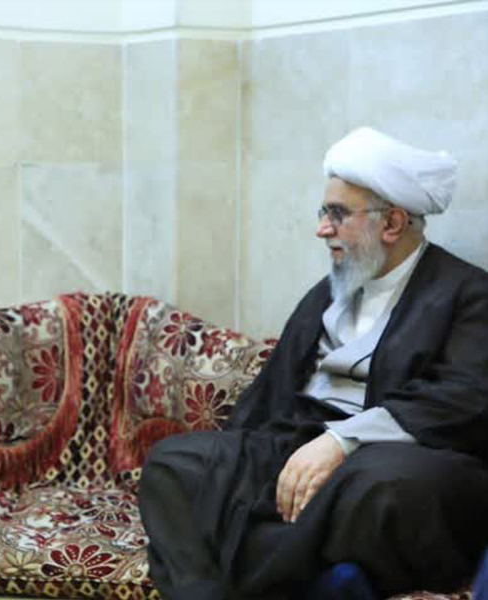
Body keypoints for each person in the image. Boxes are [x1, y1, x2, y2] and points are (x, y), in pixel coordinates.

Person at [139, 127, 488, 600]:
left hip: (394, 457)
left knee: (383, 489)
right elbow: (268, 402)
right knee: (175, 464)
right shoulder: (331, 290)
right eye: (324, 213)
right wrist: (239, 469)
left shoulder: (467, 293)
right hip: (300, 444)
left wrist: (342, 441)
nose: (322, 229)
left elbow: (463, 399)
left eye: (337, 214)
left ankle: (258, 571)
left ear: (392, 223)